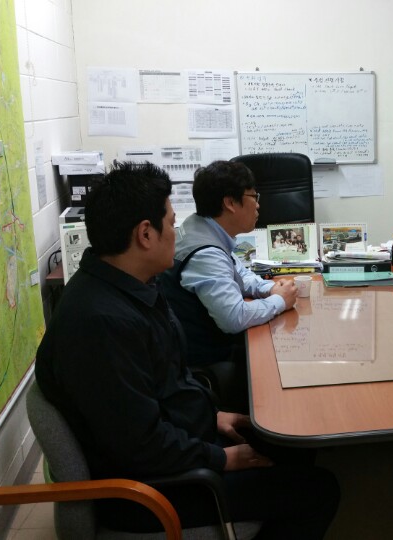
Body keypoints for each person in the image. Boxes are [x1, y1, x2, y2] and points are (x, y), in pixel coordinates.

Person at [35, 162, 339, 539]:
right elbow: (140, 446)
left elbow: (163, 384)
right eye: (171, 223)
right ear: (146, 234)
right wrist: (220, 457)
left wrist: (212, 416)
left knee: (293, 442)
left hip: (181, 442)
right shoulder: (101, 324)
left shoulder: (130, 286)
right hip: (153, 491)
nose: (177, 233)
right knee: (319, 491)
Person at [159, 161, 298, 410]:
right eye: (253, 196)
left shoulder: (200, 226)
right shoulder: (206, 253)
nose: (258, 204)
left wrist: (269, 289)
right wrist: (280, 301)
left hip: (209, 341)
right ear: (230, 203)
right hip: (206, 355)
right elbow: (234, 318)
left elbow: (238, 273)